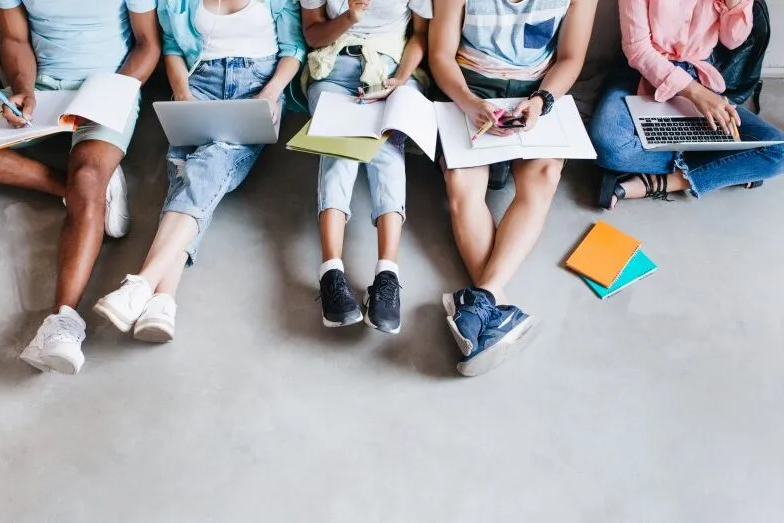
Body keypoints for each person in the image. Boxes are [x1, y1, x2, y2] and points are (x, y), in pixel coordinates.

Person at [0, 1, 161, 374]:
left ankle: (63, 323)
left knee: (88, 175)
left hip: (110, 88)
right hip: (43, 89)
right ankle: (72, 189)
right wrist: (24, 91)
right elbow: (14, 38)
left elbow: (147, 43)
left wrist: (112, 93)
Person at [94, 0, 306, 343]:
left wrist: (270, 95)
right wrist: (181, 92)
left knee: (209, 165)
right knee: (185, 175)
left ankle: (143, 283)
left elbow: (294, 48)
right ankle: (162, 301)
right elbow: (174, 48)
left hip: (255, 86)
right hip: (199, 84)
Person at [430, 0, 596, 376]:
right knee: (462, 182)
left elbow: (570, 58)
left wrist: (542, 100)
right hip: (467, 86)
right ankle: (497, 305)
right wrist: (469, 101)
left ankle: (482, 301)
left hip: (537, 91)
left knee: (544, 178)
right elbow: (441, 55)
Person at [300, 0, 432, 334]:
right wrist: (348, 17)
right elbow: (313, 34)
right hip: (333, 68)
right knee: (339, 153)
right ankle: (331, 271)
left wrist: (400, 80)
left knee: (388, 151)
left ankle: (387, 274)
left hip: (390, 71)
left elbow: (420, 35)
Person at [591, 0, 784, 209]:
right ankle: (728, 166)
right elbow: (637, 49)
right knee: (609, 147)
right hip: (640, 72)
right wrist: (695, 92)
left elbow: (733, 40)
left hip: (698, 73)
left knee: (777, 151)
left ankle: (662, 182)